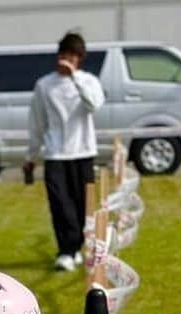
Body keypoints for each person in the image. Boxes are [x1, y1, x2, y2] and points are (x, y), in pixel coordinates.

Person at [25, 32, 105, 272]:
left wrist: (74, 79)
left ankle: (77, 246)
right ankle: (66, 251)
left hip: (83, 152)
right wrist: (31, 155)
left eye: (71, 56)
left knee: (83, 206)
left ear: (79, 58)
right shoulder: (44, 85)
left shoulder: (89, 81)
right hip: (55, 154)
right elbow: (36, 122)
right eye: (63, 54)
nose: (65, 60)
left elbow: (94, 105)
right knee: (60, 204)